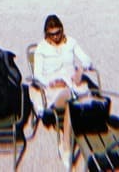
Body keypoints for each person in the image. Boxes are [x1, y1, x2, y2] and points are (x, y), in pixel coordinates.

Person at [33, 14, 93, 169]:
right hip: (55, 88)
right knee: (69, 98)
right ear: (46, 33)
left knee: (74, 102)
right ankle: (66, 146)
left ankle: (65, 144)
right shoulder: (42, 48)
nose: (56, 37)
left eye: (58, 32)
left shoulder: (71, 42)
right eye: (52, 34)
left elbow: (86, 60)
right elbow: (37, 74)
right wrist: (51, 82)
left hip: (71, 81)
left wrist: (80, 70)